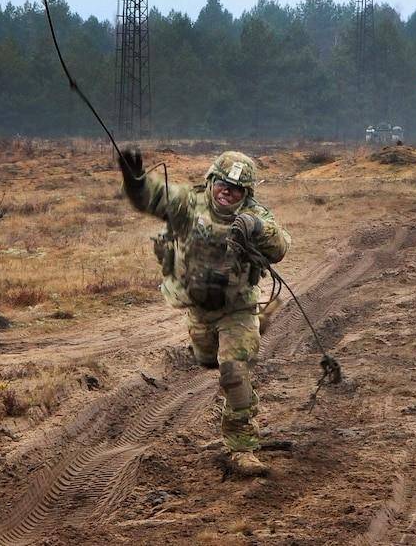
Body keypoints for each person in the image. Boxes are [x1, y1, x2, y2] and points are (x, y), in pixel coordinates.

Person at [119, 147, 291, 476]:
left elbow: (280, 246)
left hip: (236, 307)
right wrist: (134, 180)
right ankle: (258, 325)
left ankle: (242, 449)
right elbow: (150, 198)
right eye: (224, 184)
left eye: (237, 189)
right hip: (198, 309)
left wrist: (256, 227)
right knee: (207, 358)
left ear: (247, 193)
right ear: (211, 181)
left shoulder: (255, 216)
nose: (228, 192)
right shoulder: (188, 203)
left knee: (233, 370)